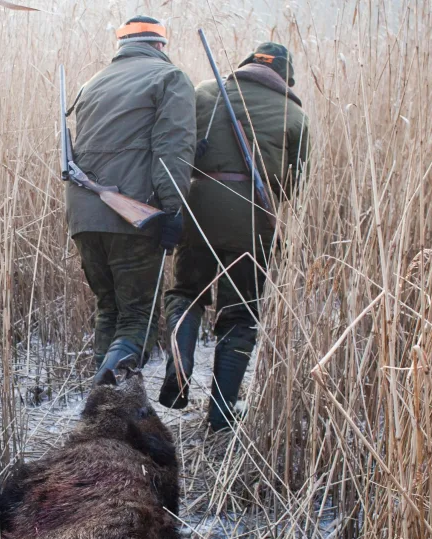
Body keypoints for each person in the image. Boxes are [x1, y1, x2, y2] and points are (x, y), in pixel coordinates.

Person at [157, 42, 309, 431]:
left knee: (186, 293)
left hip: (199, 205)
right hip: (255, 219)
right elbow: (295, 185)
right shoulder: (294, 114)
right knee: (240, 315)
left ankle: (180, 368)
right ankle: (221, 415)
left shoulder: (206, 91)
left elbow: (178, 145)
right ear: (285, 77)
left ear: (245, 66)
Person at [66, 16, 197, 384]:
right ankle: (105, 388)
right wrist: (172, 211)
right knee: (137, 319)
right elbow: (174, 152)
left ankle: (102, 417)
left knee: (108, 310)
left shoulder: (91, 84)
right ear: (160, 46)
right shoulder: (170, 78)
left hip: (84, 217)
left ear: (123, 46)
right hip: (133, 217)